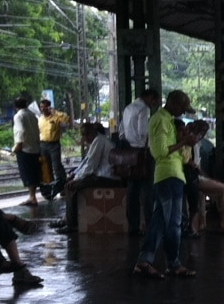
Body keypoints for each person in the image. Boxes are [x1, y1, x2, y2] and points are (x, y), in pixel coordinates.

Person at [133, 90, 198, 279]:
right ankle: (174, 263)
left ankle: (144, 262)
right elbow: (159, 152)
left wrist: (185, 142)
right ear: (174, 105)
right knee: (174, 224)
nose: (182, 113)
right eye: (182, 109)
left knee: (159, 222)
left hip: (171, 176)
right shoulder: (160, 120)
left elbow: (179, 155)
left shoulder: (168, 120)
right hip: (168, 177)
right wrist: (183, 142)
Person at [56, 122, 119, 233]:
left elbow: (91, 166)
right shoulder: (100, 140)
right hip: (105, 175)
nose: (84, 138)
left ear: (89, 134)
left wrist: (77, 179)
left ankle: (71, 224)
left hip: (106, 177)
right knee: (71, 184)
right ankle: (67, 219)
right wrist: (77, 175)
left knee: (71, 187)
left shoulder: (98, 141)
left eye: (84, 135)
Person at [121, 89, 160, 236]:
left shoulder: (128, 108)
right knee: (147, 191)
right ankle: (150, 225)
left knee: (132, 191)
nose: (153, 105)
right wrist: (147, 146)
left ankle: (133, 227)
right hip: (143, 154)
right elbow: (143, 132)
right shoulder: (143, 109)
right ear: (149, 97)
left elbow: (121, 131)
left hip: (130, 153)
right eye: (154, 101)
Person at [37, 98, 72, 198]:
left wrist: (56, 112)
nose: (43, 109)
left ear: (49, 107)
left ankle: (62, 186)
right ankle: (49, 189)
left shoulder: (56, 117)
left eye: (45, 107)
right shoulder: (40, 119)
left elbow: (67, 119)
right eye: (41, 107)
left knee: (57, 166)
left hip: (54, 145)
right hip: (43, 145)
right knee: (45, 167)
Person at [11, 94, 42, 207]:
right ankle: (32, 196)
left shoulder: (18, 116)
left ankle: (32, 198)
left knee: (28, 174)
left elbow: (21, 132)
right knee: (33, 174)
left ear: (16, 106)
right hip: (35, 148)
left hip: (25, 149)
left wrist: (17, 147)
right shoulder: (32, 115)